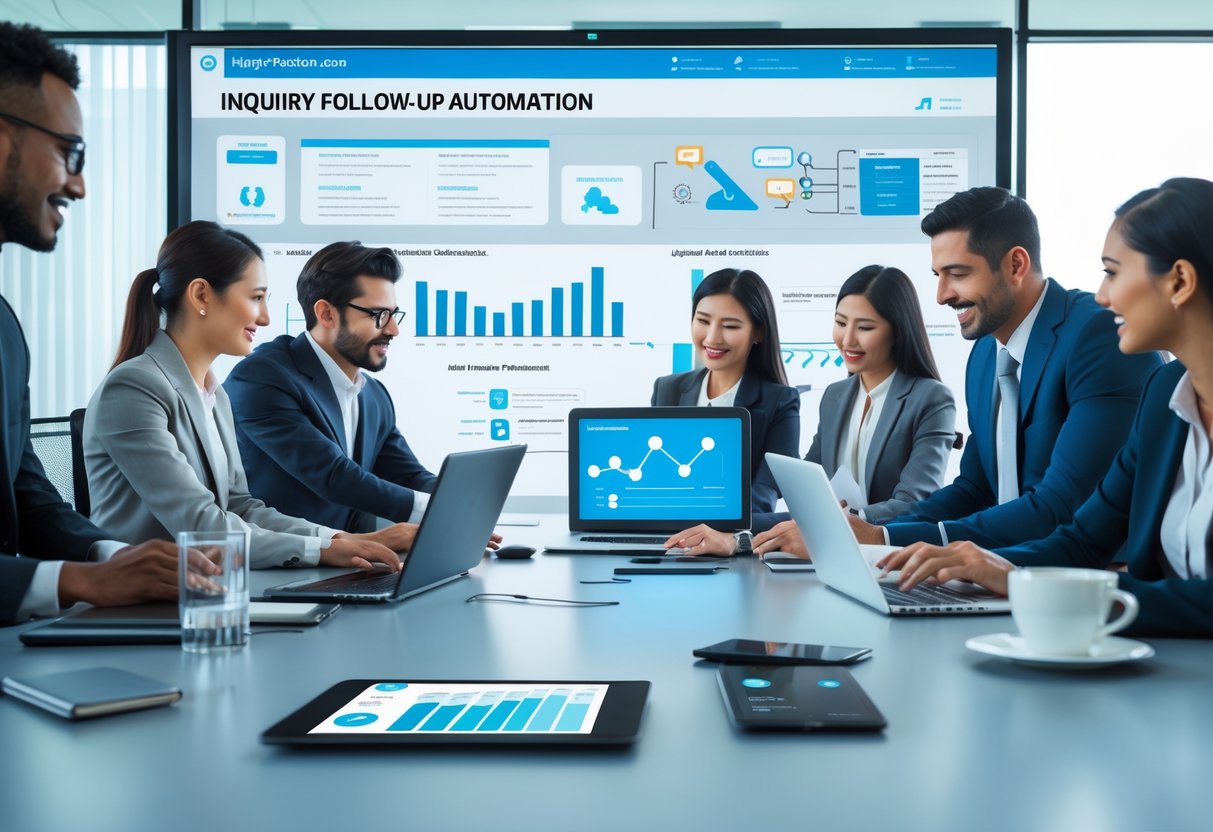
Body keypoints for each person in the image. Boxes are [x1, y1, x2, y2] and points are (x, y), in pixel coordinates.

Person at [878, 178, 1213, 637]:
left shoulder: (1096, 340)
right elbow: (1081, 539)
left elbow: (1062, 514)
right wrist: (985, 568)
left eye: (1113, 272)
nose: (1102, 294)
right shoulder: (1165, 394)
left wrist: (1034, 588)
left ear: (1179, 281)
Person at [756, 187, 1162, 558]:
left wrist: (882, 540)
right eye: (938, 275)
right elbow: (974, 488)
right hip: (997, 571)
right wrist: (870, 533)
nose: (942, 295)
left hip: (1083, 581)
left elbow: (1058, 506)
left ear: (1016, 264)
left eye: (958, 274)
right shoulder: (985, 354)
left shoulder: (1097, 336)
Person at [0, 23, 198, 625]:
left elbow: (24, 490)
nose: (79, 186)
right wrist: (77, 580)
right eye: (69, 153)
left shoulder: (5, 328)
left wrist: (113, 556)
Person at [85, 221, 414, 571]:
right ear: (201, 296)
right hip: (143, 608)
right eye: (256, 298)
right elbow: (203, 527)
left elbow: (241, 507)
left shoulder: (215, 395)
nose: (267, 318)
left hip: (210, 592)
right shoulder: (134, 389)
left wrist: (339, 541)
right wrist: (322, 551)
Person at [668, 265, 956, 555]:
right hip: (827, 556)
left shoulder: (931, 398)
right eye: (841, 323)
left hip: (885, 556)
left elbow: (912, 504)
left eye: (865, 327)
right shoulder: (836, 396)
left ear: (898, 332)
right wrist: (733, 534)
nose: (848, 339)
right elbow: (806, 499)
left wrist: (844, 520)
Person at [225, 241, 438, 533]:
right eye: (378, 315)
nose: (393, 330)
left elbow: (409, 476)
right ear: (326, 314)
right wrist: (438, 511)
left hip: (348, 566)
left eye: (393, 314)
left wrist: (458, 498)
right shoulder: (262, 378)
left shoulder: (374, 396)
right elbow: (334, 476)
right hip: (273, 566)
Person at [651, 268, 799, 516]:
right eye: (703, 321)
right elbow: (656, 478)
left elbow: (764, 494)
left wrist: (718, 530)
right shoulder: (667, 389)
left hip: (729, 541)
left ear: (759, 332)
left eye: (729, 326)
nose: (712, 337)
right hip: (669, 533)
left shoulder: (780, 402)